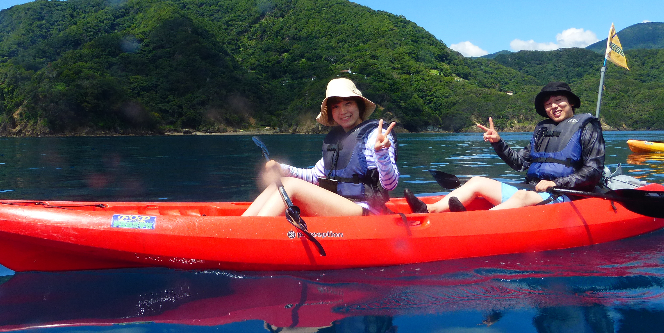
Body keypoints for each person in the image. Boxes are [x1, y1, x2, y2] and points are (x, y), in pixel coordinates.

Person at [405, 82, 605, 213]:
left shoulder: (588, 127)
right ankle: (429, 210)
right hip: (533, 191)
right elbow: (520, 163)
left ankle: (472, 224)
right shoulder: (543, 130)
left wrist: (557, 183)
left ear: (571, 103)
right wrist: (498, 143)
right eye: (548, 103)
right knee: (477, 181)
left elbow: (593, 171)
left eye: (559, 100)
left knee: (521, 195)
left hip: (565, 196)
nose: (554, 106)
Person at [243, 78, 398, 217]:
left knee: (290, 185)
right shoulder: (337, 141)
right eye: (336, 106)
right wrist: (282, 169)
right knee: (280, 182)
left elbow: (390, 184)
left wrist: (381, 153)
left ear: (359, 105)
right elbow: (314, 177)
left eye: (348, 103)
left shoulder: (375, 137)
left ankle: (251, 235)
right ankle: (242, 227)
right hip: (341, 206)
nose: (342, 111)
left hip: (367, 212)